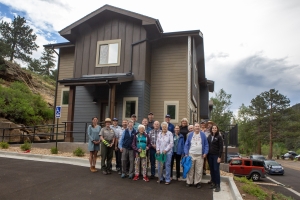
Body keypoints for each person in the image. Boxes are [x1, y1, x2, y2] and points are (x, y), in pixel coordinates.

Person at [184, 123, 209, 189]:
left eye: (198, 126)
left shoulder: (203, 135)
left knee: (199, 170)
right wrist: (186, 153)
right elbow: (186, 144)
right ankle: (189, 182)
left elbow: (206, 144)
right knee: (190, 169)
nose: (197, 127)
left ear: (200, 127)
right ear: (194, 127)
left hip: (200, 155)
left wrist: (205, 153)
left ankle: (197, 182)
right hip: (191, 154)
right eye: (196, 126)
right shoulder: (190, 135)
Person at [207, 124, 223, 192]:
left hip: (216, 156)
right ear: (211, 129)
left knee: (216, 170)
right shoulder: (209, 136)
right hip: (209, 155)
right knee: (212, 170)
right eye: (213, 128)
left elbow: (221, 148)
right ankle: (213, 183)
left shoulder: (219, 137)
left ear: (217, 129)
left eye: (215, 128)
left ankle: (218, 185)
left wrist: (219, 157)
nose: (214, 129)